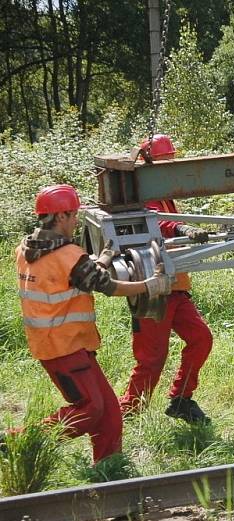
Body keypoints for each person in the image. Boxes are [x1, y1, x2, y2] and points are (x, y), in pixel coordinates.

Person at [14, 184, 171, 463]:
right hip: (64, 348)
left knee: (110, 414)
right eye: (73, 215)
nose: (76, 221)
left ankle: (108, 471)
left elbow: (75, 275)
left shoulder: (27, 250)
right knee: (90, 409)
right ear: (60, 216)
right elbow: (107, 286)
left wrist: (104, 257)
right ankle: (23, 440)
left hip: (60, 345)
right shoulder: (69, 256)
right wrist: (148, 285)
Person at [118, 134, 213, 424]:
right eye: (166, 161)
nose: (171, 165)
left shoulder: (165, 191)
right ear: (150, 163)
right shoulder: (144, 192)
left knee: (201, 338)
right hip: (153, 289)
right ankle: (126, 416)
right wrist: (182, 229)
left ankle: (181, 399)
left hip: (176, 288)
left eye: (172, 160)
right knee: (151, 361)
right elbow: (154, 221)